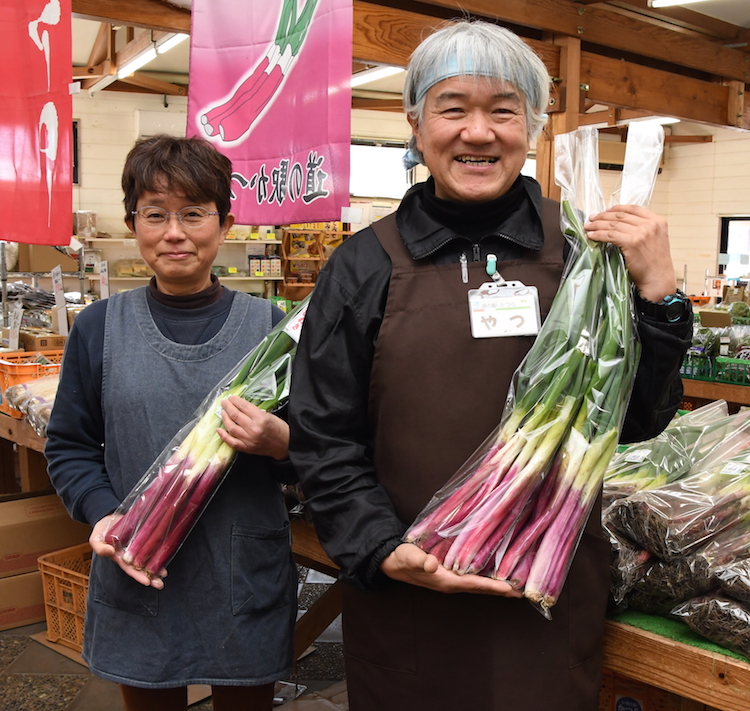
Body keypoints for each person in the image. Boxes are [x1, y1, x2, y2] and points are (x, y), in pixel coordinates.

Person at [288, 19, 692, 711]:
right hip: (408, 595)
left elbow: (637, 420)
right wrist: (380, 546)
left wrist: (660, 299)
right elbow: (322, 436)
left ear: (532, 125)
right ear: (415, 124)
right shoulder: (361, 266)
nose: (478, 132)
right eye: (453, 108)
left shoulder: (585, 258)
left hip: (545, 595)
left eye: (503, 109)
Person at [45, 135, 297, 711]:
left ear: (225, 223)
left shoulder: (274, 329)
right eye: (155, 214)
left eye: (193, 213)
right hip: (137, 561)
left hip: (240, 572)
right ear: (135, 224)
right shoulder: (99, 328)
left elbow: (324, 447)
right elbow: (69, 445)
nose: (174, 232)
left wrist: (280, 442)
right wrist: (103, 513)